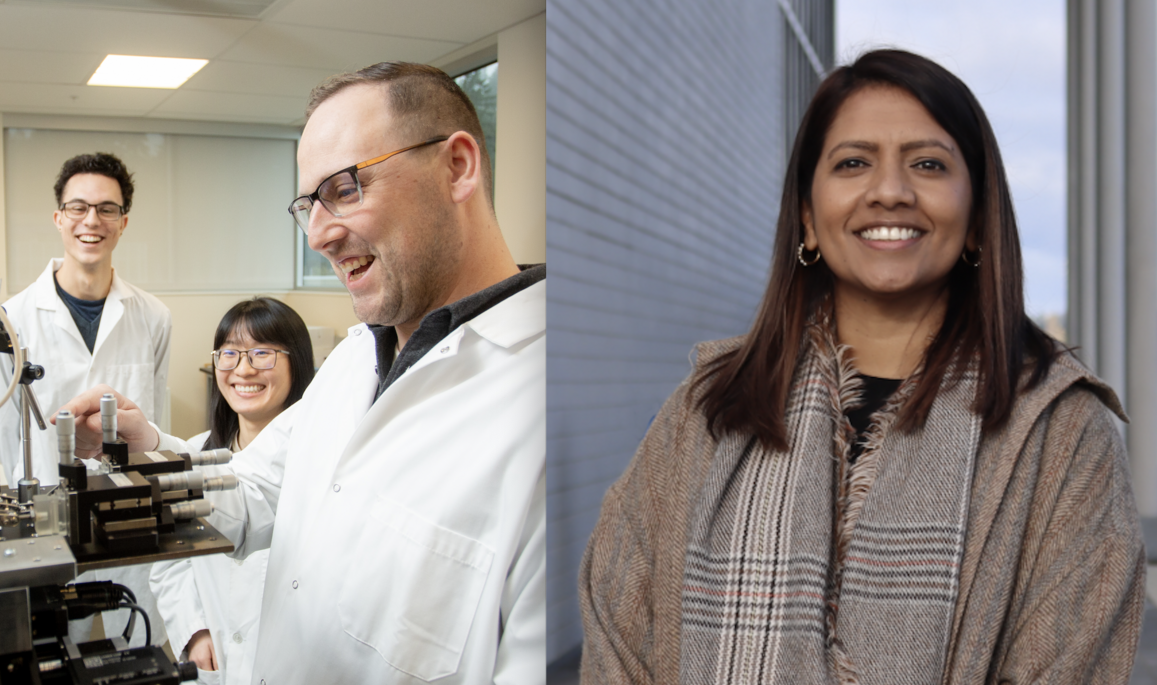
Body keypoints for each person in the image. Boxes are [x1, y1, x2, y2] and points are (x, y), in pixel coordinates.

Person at [579, 49, 1143, 684]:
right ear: (807, 219)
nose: (890, 192)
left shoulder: (1059, 431)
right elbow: (617, 638)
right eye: (853, 163)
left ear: (980, 217)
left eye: (928, 164)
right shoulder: (709, 409)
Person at [58, 61, 545, 684]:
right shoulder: (352, 362)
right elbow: (248, 496)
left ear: (457, 167)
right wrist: (141, 444)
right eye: (308, 203)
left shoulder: (549, 412)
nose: (318, 234)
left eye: (345, 189)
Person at [0, 152, 172, 647]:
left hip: (127, 510)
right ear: (59, 217)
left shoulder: (153, 316)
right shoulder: (13, 319)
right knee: (52, 651)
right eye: (79, 207)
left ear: (124, 221)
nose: (92, 220)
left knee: (139, 643)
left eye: (107, 209)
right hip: (47, 515)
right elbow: (6, 438)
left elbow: (157, 425)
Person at [149, 297, 315, 685]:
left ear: (298, 364)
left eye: (262, 353)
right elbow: (170, 558)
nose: (243, 369)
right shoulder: (196, 452)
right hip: (216, 656)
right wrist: (194, 629)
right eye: (229, 354)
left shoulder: (317, 466)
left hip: (295, 660)